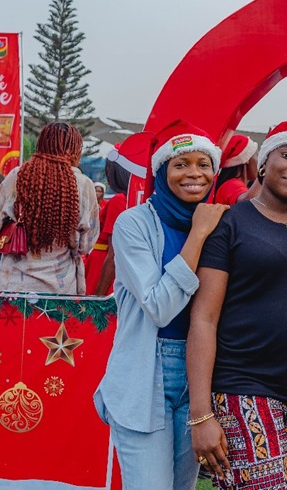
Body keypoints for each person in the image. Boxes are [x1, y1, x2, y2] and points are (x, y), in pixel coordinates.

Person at [187, 122, 287, 489]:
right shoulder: (229, 224)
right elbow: (204, 318)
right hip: (242, 388)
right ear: (264, 163)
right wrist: (201, 414)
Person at [94, 121, 229, 490]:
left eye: (203, 164)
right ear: (161, 171)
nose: (194, 173)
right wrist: (198, 234)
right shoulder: (133, 223)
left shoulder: (223, 223)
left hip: (201, 373)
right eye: (181, 163)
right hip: (146, 368)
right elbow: (159, 306)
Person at [0, 122, 100, 294]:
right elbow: (85, 246)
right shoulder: (84, 184)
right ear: (74, 150)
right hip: (62, 288)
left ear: (42, 144)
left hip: (15, 285)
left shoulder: (18, 176)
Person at [86, 152, 132, 295]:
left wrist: (99, 295)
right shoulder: (128, 198)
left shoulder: (118, 200)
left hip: (103, 265)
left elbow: (114, 253)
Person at [212, 134, 259, 205]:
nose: (260, 162)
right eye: (257, 156)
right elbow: (248, 203)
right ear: (247, 159)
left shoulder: (228, 183)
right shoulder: (233, 184)